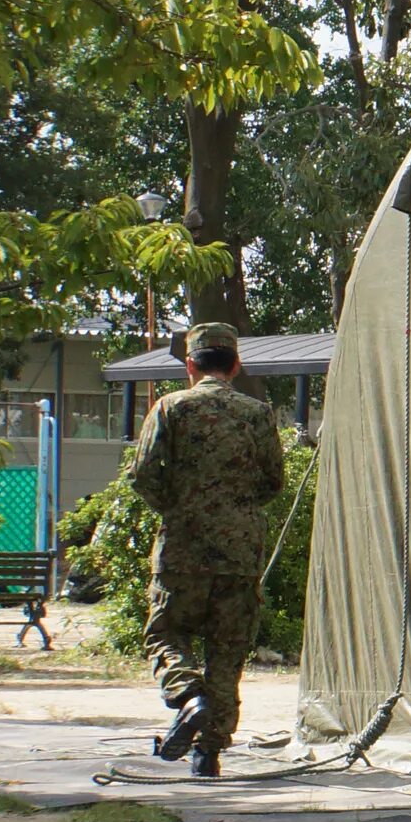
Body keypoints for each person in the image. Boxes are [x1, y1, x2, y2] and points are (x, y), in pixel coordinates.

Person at [129, 323, 286, 777]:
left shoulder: (170, 408)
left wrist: (179, 508)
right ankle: (208, 753)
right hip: (240, 553)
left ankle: (188, 696)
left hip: (182, 548)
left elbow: (143, 475)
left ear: (189, 366)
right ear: (235, 365)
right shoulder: (257, 414)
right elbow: (273, 481)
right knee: (227, 651)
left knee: (164, 633)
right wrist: (235, 511)